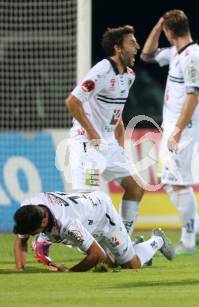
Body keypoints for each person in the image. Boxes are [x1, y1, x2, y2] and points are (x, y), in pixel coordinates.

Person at [32, 26, 144, 267]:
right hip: (86, 144)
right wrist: (92, 132)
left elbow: (116, 112)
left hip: (109, 144)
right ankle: (43, 238)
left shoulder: (129, 76)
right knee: (88, 204)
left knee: (135, 187)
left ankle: (123, 240)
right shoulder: (103, 69)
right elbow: (72, 102)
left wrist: (120, 140)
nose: (137, 46)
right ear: (118, 47)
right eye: (132, 42)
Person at [141, 10, 199, 255]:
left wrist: (179, 131)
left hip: (185, 127)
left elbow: (193, 95)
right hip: (174, 126)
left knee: (178, 182)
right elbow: (147, 55)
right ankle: (198, 229)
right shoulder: (175, 54)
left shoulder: (193, 56)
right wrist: (160, 25)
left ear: (170, 33)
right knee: (170, 181)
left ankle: (189, 240)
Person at [13, 191, 175, 272]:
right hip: (86, 216)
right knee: (110, 264)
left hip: (104, 219)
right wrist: (20, 269)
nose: (31, 234)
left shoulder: (68, 225)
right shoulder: (29, 208)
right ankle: (132, 246)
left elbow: (97, 255)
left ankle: (156, 240)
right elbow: (21, 240)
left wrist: (70, 272)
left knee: (131, 265)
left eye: (32, 231)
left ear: (43, 221)